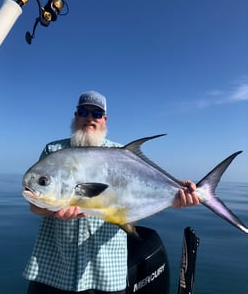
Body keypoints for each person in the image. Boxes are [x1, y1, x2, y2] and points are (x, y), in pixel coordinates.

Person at [23, 90, 199, 294]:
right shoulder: (54, 151)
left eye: (96, 114)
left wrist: (175, 194)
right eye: (84, 111)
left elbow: (142, 190)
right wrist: (54, 211)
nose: (89, 118)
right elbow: (35, 205)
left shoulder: (121, 152)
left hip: (107, 270)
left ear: (105, 119)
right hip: (54, 269)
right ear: (76, 115)